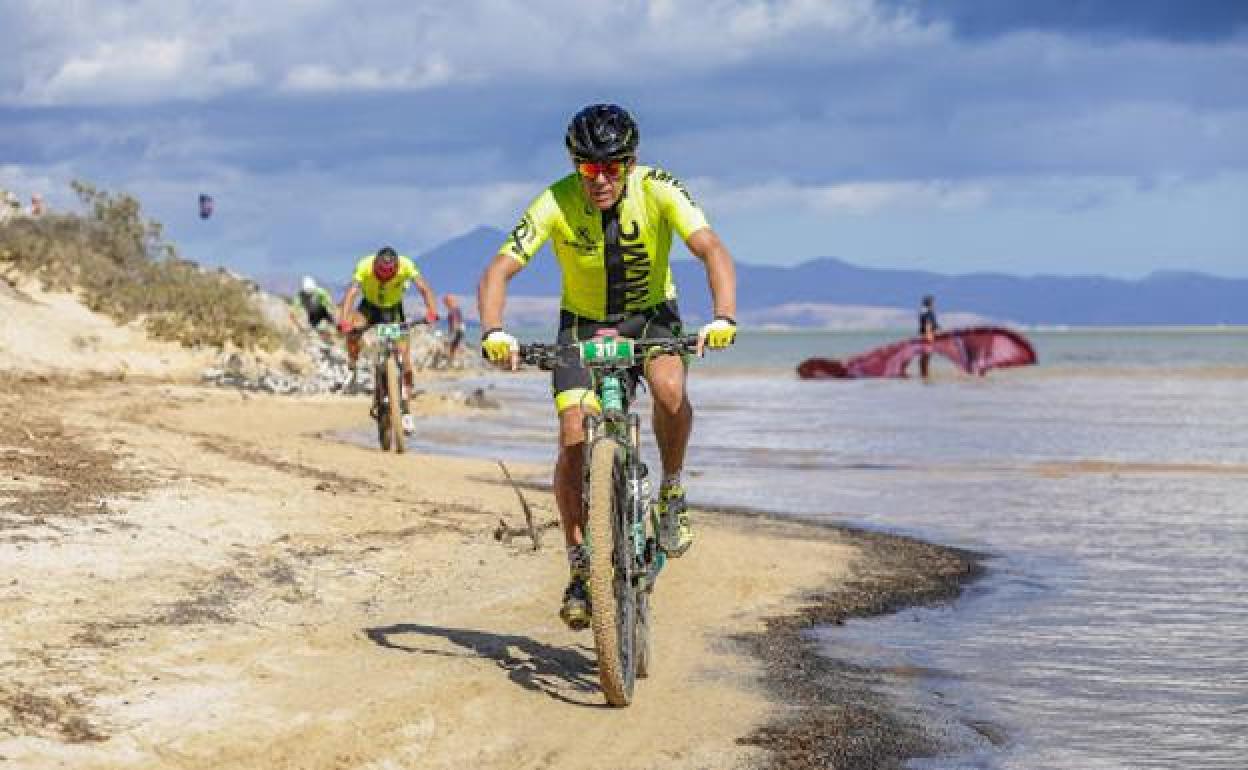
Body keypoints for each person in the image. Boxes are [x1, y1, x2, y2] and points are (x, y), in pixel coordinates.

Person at [477, 103, 738, 629]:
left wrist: (723, 316)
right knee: (573, 434)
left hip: (651, 318)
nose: (599, 178)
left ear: (631, 162)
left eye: (611, 166)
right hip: (582, 325)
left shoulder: (660, 187)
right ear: (574, 164)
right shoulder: (554, 199)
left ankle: (672, 493)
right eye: (587, 167)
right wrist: (494, 331)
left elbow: (710, 249)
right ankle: (579, 566)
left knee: (668, 389)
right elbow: (500, 269)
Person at [337, 246, 439, 434]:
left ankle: (406, 412)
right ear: (375, 266)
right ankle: (352, 366)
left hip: (393, 311)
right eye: (380, 273)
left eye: (389, 274)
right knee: (352, 331)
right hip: (369, 307)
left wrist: (432, 311)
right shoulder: (364, 266)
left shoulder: (407, 265)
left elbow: (424, 288)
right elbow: (351, 293)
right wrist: (343, 320)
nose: (384, 277)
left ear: (396, 268)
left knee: (405, 360)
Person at [918, 294, 940, 379]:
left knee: (924, 356)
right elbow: (928, 325)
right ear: (930, 304)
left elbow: (930, 325)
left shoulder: (923, 313)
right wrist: (929, 337)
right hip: (928, 336)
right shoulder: (928, 313)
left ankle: (923, 374)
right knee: (926, 356)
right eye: (933, 303)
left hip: (924, 336)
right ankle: (924, 375)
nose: (934, 305)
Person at [443, 293, 466, 366]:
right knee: (455, 346)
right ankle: (454, 361)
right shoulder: (456, 309)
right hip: (459, 329)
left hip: (456, 329)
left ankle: (452, 361)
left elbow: (455, 321)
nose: (445, 305)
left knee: (452, 346)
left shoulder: (453, 310)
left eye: (446, 303)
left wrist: (453, 331)